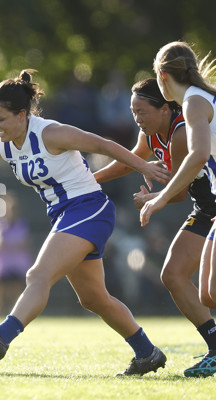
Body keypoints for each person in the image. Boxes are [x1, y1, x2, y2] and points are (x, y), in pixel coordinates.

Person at [0, 69, 170, 375]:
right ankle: (147, 353)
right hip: (66, 214)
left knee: (38, 274)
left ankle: (2, 334)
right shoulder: (1, 141)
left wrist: (142, 166)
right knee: (94, 298)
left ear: (22, 115)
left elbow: (102, 145)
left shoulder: (50, 133)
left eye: (0, 119)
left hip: (88, 208)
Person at [94, 77, 216, 377]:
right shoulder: (150, 133)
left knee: (209, 290)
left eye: (142, 111)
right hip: (205, 209)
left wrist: (153, 197)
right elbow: (130, 161)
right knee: (173, 275)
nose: (137, 118)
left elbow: (179, 191)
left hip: (210, 205)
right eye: (133, 112)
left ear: (164, 109)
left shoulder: (180, 133)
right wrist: (89, 181)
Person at [138, 41, 216, 377]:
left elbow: (198, 155)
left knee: (210, 290)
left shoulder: (195, 102)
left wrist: (160, 197)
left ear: (163, 75)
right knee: (206, 289)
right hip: (211, 203)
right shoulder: (198, 99)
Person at [0, 191, 33, 315]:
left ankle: (16, 316)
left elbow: (26, 243)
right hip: (1, 265)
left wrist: (7, 244)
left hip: (18, 264)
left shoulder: (21, 224)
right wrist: (13, 244)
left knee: (17, 293)